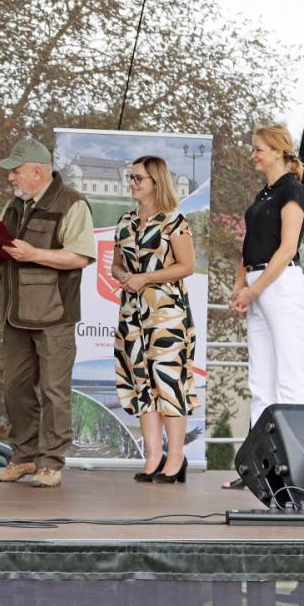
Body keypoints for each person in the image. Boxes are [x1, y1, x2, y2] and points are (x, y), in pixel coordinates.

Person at [0, 136, 96, 488]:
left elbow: (80, 257)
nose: (10, 177)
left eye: (15, 171)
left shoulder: (72, 203)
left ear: (37, 171)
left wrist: (34, 254)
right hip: (15, 312)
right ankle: (24, 457)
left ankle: (50, 462)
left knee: (53, 390)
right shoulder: (14, 205)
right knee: (14, 388)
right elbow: (7, 248)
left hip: (55, 314)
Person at [111, 156, 198, 485]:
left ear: (156, 182)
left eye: (138, 178)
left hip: (167, 314)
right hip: (132, 313)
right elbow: (116, 265)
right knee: (141, 383)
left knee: (168, 381)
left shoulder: (174, 221)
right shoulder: (125, 222)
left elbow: (187, 265)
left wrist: (146, 278)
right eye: (131, 177)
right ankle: (152, 457)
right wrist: (125, 277)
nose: (132, 183)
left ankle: (176, 457)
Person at [231, 124, 304, 425]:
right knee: (260, 379)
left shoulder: (293, 190)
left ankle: (300, 448)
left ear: (278, 151)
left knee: (289, 374)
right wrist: (240, 283)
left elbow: (288, 248)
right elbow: (250, 243)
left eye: (258, 149)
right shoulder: (263, 194)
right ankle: (261, 451)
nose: (253, 155)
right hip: (257, 284)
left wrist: (253, 290)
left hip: (281, 284)